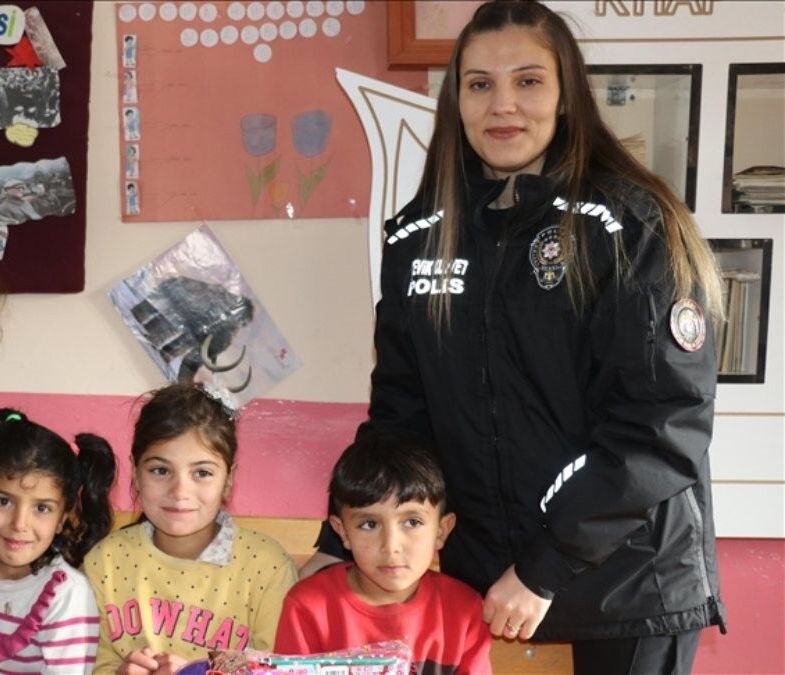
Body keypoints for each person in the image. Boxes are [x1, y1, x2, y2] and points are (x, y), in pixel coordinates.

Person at [307, 2, 725, 673]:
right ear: (456, 100)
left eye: (528, 81)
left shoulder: (631, 225)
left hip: (630, 581)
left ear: (566, 95)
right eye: (480, 84)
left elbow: (660, 426)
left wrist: (543, 568)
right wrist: (339, 543)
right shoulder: (419, 238)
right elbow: (402, 419)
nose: (502, 105)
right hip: (481, 579)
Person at [83, 384, 297, 674]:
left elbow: (282, 669)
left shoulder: (267, 567)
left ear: (228, 479)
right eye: (160, 470)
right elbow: (87, 665)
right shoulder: (104, 563)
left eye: (202, 473)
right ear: (135, 473)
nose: (180, 491)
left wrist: (200, 672)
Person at [276, 434, 491, 673]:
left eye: (412, 522)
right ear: (343, 532)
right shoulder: (308, 606)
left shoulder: (464, 610)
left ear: (441, 531)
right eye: (369, 524)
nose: (391, 545)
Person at [0, 409, 117, 673]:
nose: (19, 524)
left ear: (62, 518)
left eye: (42, 508)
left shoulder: (66, 596)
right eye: (3, 501)